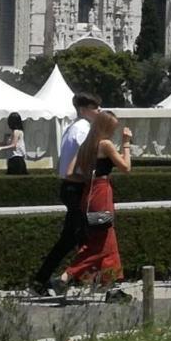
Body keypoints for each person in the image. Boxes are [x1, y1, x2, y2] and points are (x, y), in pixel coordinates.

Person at [32, 92, 101, 296]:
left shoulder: (74, 127)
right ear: (83, 110)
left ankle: (47, 280)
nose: (99, 111)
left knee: (73, 239)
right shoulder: (83, 130)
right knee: (89, 238)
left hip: (71, 187)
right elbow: (86, 161)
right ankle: (96, 282)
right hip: (77, 187)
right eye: (95, 107)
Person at [58, 111, 133, 296]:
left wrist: (87, 178)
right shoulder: (105, 144)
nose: (113, 132)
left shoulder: (85, 146)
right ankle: (67, 276)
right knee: (102, 243)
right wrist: (126, 143)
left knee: (108, 240)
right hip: (101, 194)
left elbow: (69, 172)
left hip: (88, 194)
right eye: (112, 128)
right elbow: (126, 167)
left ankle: (110, 287)